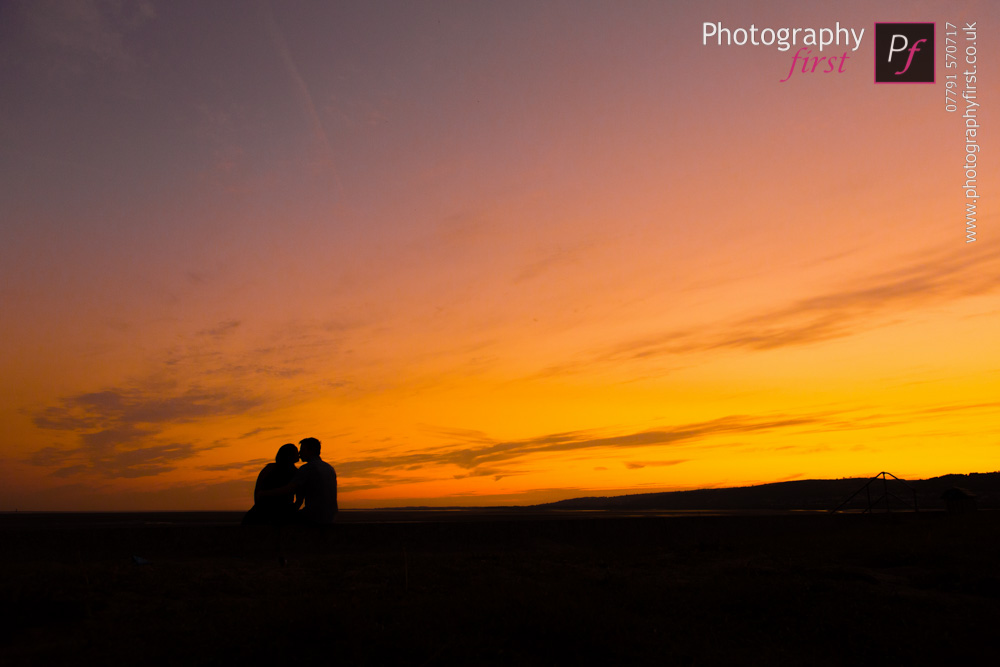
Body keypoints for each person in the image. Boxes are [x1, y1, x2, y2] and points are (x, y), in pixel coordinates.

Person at [258, 437, 338, 525]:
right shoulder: (329, 468)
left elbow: (289, 489)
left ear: (311, 451)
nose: (300, 453)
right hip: (331, 516)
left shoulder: (307, 468)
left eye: (303, 449)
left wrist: (264, 493)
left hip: (314, 516)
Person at [242, 443, 300, 526]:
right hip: (269, 508)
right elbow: (258, 489)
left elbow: (258, 490)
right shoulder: (271, 469)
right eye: (296, 452)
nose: (298, 454)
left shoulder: (295, 472)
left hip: (281, 509)